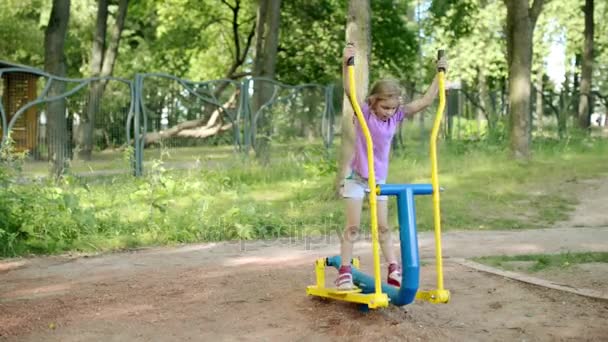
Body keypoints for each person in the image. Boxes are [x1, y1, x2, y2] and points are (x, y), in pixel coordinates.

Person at [335, 43, 448, 290]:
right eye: (385, 107)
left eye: (393, 108)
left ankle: (393, 268)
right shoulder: (364, 112)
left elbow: (426, 101)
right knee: (353, 226)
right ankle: (344, 271)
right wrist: (346, 62)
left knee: (383, 227)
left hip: (378, 180)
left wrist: (439, 74)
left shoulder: (396, 115)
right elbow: (348, 89)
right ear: (374, 102)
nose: (389, 112)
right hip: (356, 177)